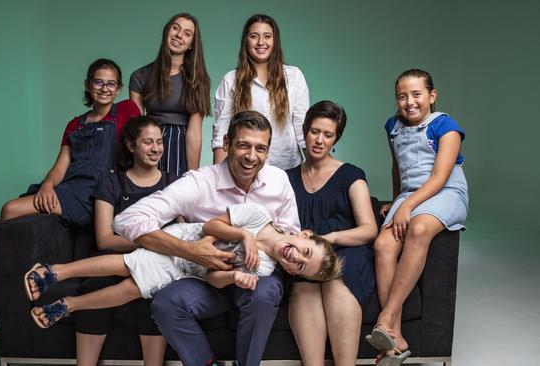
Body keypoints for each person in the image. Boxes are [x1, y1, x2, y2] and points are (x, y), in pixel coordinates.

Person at [0, 58, 140, 347]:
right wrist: (48, 186)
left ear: (119, 88)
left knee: (10, 210)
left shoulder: (123, 113)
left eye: (111, 83)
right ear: (88, 85)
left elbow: (139, 138)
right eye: (98, 82)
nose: (104, 88)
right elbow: (61, 166)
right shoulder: (75, 123)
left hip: (93, 195)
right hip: (67, 187)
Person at [114, 110, 300, 366]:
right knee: (166, 303)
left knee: (264, 292)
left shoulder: (279, 181)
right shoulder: (199, 183)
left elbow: (290, 234)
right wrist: (190, 251)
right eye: (243, 145)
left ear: (268, 152)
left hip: (260, 275)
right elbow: (126, 220)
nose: (251, 156)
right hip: (206, 278)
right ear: (227, 144)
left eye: (260, 148)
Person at [24, 202, 342, 328]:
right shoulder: (259, 216)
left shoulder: (265, 270)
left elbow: (214, 280)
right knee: (128, 263)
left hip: (187, 270)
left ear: (291, 273)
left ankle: (69, 305)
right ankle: (56, 271)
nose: (296, 259)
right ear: (304, 235)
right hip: (185, 241)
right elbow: (212, 227)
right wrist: (243, 235)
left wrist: (234, 276)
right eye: (304, 252)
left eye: (300, 267)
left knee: (133, 288)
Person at [366, 69, 469, 366]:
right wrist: (397, 201)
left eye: (416, 94)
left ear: (432, 96)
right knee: (384, 245)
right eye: (402, 96)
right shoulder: (393, 127)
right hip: (411, 195)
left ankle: (385, 317)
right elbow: (398, 168)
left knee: (420, 228)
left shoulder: (446, 127)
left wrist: (408, 207)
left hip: (445, 191)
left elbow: (439, 177)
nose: (409, 102)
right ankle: (395, 336)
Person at [72, 116, 177, 366]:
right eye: (147, 142)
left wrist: (160, 247)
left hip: (158, 264)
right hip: (115, 259)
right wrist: (151, 242)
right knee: (92, 286)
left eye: (159, 142)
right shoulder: (112, 181)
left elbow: (182, 231)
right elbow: (105, 240)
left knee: (154, 290)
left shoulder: (173, 183)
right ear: (131, 146)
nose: (155, 149)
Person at [285, 101, 378, 366]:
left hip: (348, 250)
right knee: (303, 286)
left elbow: (369, 229)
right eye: (315, 131)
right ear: (305, 131)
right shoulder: (286, 178)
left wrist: (332, 238)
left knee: (337, 278)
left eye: (328, 134)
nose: (319, 140)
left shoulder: (351, 174)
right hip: (304, 256)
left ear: (336, 138)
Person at [211, 14, 310, 170]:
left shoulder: (294, 76)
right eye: (254, 36)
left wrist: (315, 171)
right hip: (245, 170)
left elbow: (302, 128)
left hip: (288, 170)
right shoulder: (231, 80)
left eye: (267, 36)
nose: (261, 42)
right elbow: (221, 133)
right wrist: (217, 181)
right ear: (246, 41)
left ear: (275, 41)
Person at [129, 13, 211, 176]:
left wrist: (193, 177)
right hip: (148, 143)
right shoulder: (140, 76)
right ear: (167, 31)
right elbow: (135, 126)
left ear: (191, 45)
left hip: (180, 147)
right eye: (175, 28)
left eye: (187, 34)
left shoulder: (198, 80)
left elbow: (195, 131)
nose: (179, 35)